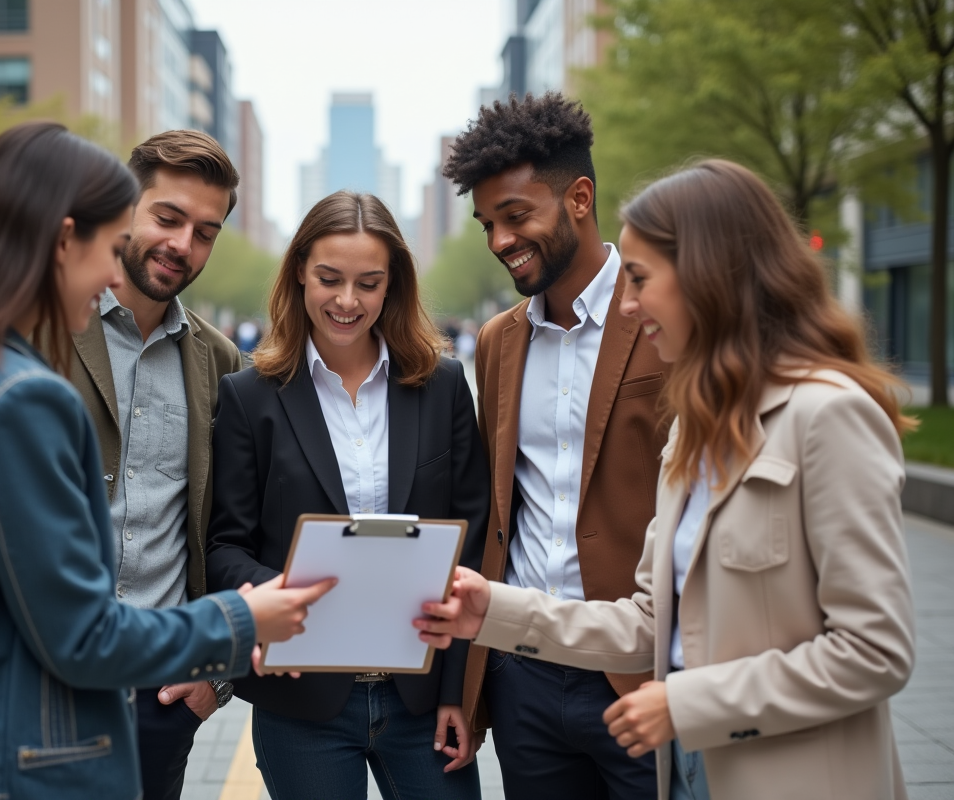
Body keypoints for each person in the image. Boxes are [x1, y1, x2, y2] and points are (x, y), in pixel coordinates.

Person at [0, 122, 334, 800]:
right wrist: (243, 623)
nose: (111, 271)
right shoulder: (21, 396)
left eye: (202, 230)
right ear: (65, 239)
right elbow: (83, 635)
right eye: (115, 239)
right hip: (15, 749)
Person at [415, 159, 917, 800]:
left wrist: (687, 704)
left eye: (640, 279)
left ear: (710, 276)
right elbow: (651, 623)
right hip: (685, 766)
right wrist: (495, 609)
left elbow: (876, 651)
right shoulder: (697, 430)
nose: (625, 304)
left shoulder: (830, 414)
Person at [206, 191, 490, 800]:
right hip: (302, 699)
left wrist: (458, 694)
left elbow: (472, 539)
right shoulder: (249, 396)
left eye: (368, 283)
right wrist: (280, 601)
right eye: (329, 279)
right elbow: (225, 545)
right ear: (300, 275)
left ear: (393, 287)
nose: (346, 301)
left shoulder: (442, 386)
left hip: (421, 699)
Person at [441, 92, 666, 798]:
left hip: (640, 671)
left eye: (515, 216)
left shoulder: (659, 320)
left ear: (578, 198)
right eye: (487, 225)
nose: (500, 240)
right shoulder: (499, 344)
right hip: (524, 674)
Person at [61, 129, 244, 800]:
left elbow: (234, 524)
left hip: (161, 693)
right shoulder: (46, 327)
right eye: (167, 217)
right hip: (43, 683)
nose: (182, 244)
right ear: (125, 208)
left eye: (205, 231)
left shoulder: (220, 363)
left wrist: (214, 674)